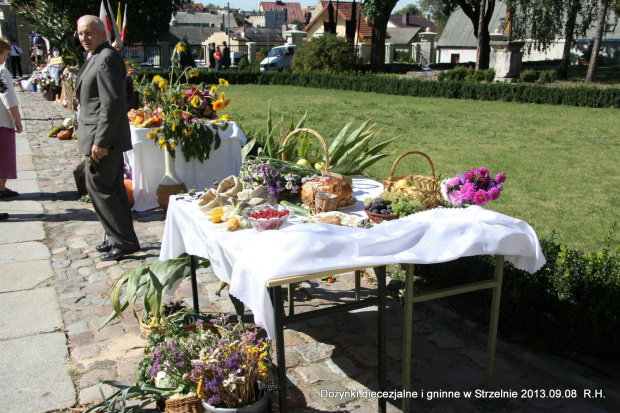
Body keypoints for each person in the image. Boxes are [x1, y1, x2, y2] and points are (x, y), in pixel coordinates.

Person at [75, 15, 140, 261]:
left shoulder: (107, 57)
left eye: (89, 33)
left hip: (103, 139)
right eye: (81, 34)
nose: (84, 38)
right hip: (98, 136)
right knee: (112, 189)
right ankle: (121, 239)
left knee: (101, 188)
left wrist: (101, 141)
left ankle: (123, 242)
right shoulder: (96, 56)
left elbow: (112, 103)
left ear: (103, 33)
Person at [0, 38, 24, 200]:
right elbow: (8, 96)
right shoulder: (2, 72)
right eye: (6, 54)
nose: (7, 57)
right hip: (1, 120)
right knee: (4, 155)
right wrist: (17, 119)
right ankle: (0, 188)